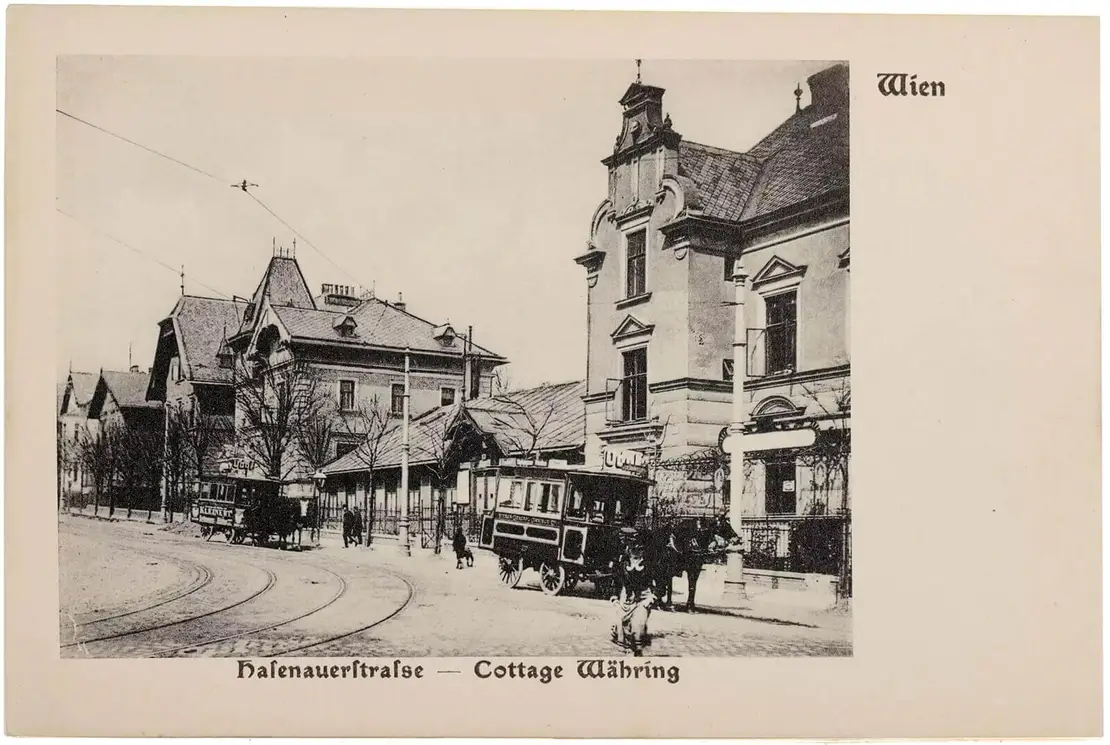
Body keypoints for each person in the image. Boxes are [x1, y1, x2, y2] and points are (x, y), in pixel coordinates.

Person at [610, 527, 655, 656]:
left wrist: (650, 599)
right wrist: (615, 598)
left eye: (639, 548)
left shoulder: (650, 564)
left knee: (637, 629)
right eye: (632, 548)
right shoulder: (622, 562)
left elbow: (661, 583)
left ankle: (638, 652)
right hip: (626, 600)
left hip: (642, 599)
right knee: (622, 628)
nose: (635, 551)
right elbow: (617, 581)